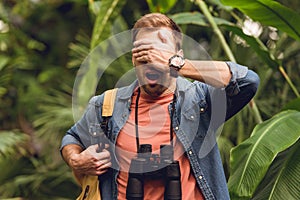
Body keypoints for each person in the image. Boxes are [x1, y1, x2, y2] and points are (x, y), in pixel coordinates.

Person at [60, 13, 259, 200]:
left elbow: (247, 81)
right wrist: (76, 160)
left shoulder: (200, 99)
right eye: (143, 52)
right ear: (133, 58)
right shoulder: (106, 105)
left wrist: (175, 64)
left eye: (160, 51)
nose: (152, 59)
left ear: (178, 55)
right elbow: (72, 138)